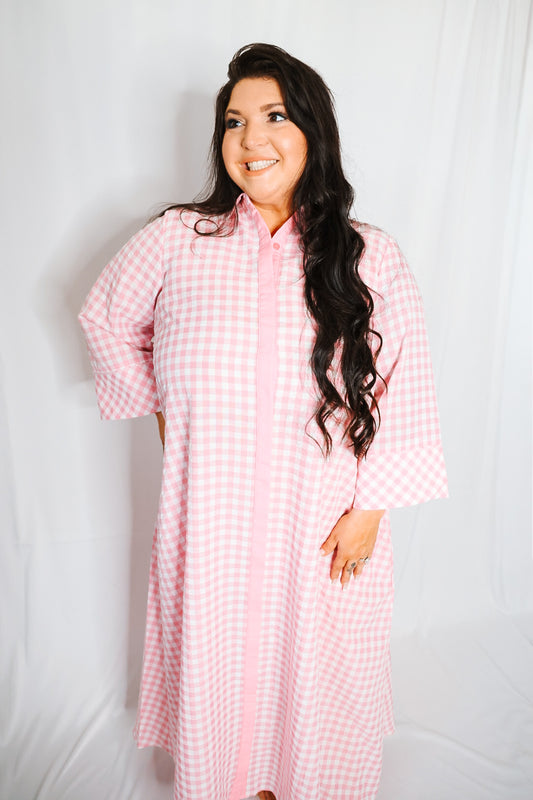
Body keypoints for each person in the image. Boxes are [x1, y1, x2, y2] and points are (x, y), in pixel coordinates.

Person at [79, 43, 448, 800]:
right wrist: (165, 418)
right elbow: (105, 320)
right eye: (234, 121)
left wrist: (369, 509)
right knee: (218, 656)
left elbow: (405, 385)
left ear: (312, 130)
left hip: (320, 519)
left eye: (274, 116)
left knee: (316, 661)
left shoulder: (370, 256)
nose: (252, 139)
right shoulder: (180, 239)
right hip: (208, 518)